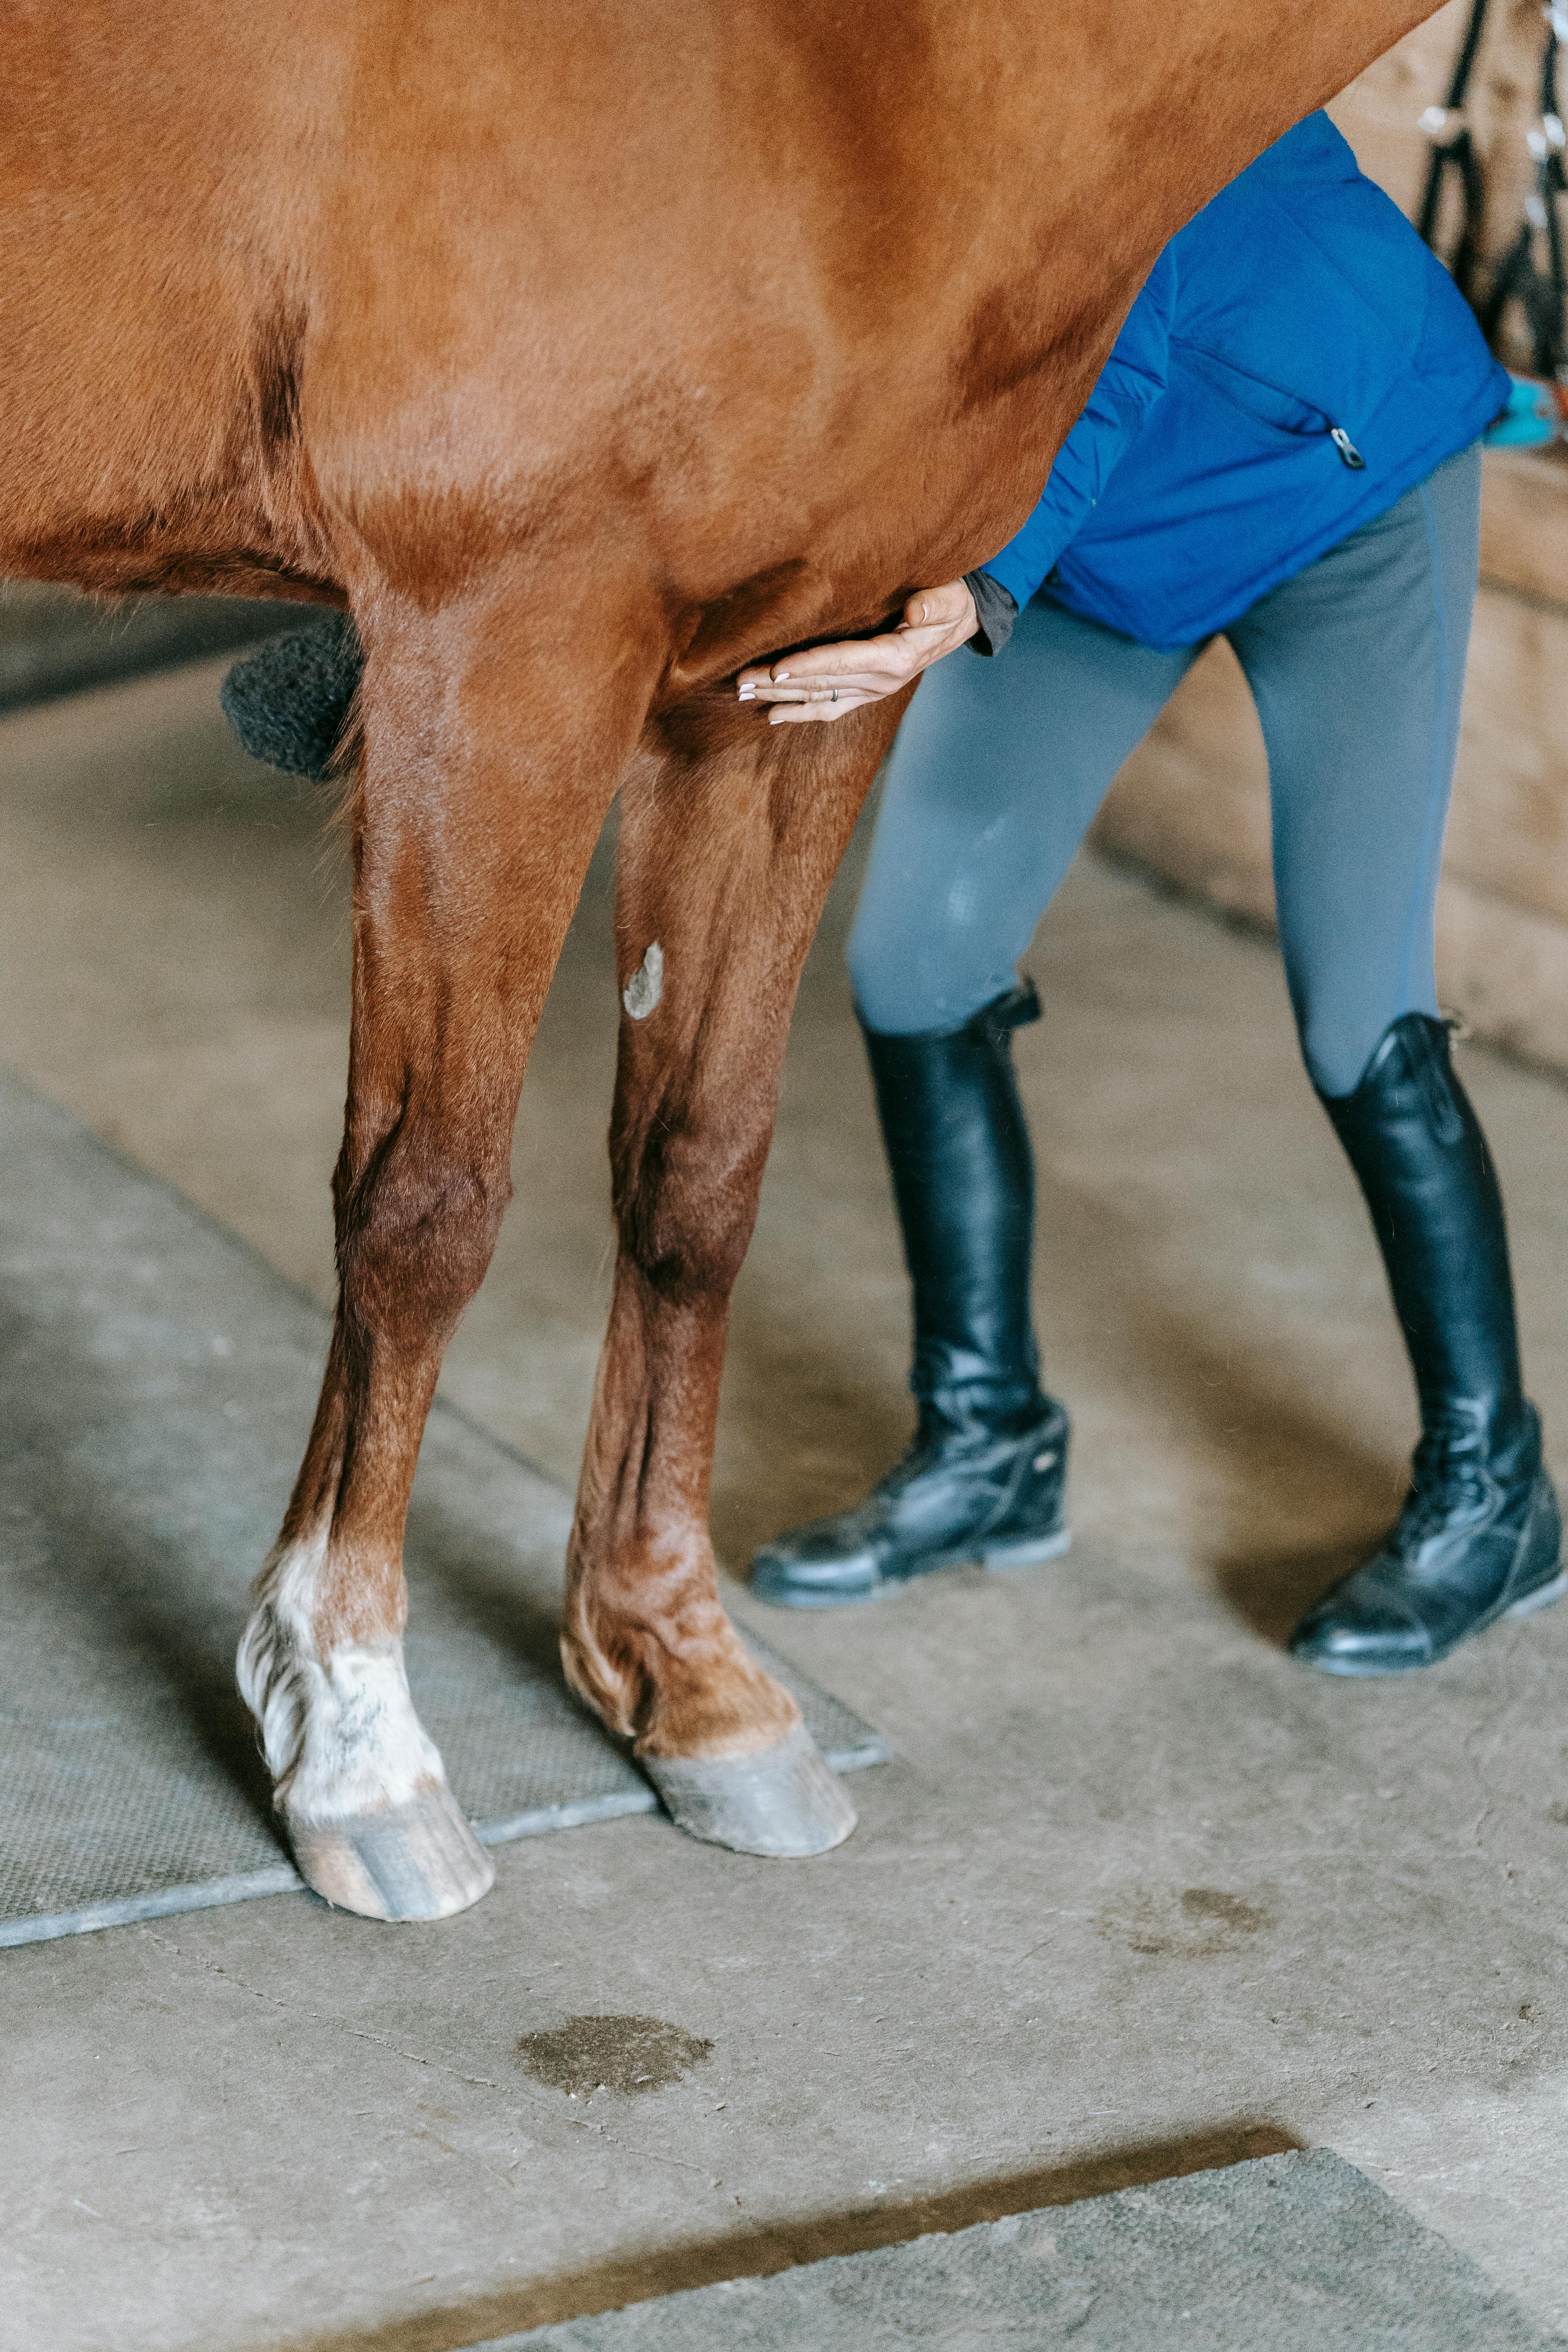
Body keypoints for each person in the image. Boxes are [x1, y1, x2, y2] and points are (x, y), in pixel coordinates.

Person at [737, 110, 1565, 1675]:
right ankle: (989, 1446)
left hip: (1340, 474)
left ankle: (1496, 1492)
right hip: (1091, 542)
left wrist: (976, 586)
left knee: (1354, 1010)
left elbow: (1127, 279)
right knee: (916, 960)